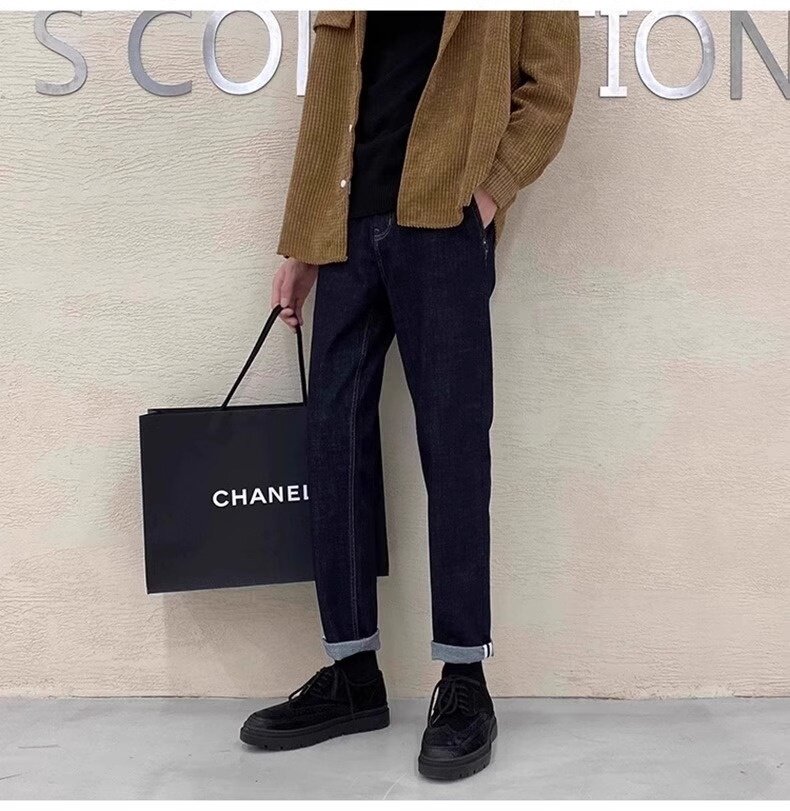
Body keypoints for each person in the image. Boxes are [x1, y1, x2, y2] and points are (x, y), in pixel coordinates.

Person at [240, 10, 580, 780]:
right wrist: (302, 239)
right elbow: (332, 96)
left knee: (454, 448)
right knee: (333, 441)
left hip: (442, 225)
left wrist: (486, 196)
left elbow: (550, 93)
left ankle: (463, 677)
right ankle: (353, 673)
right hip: (346, 227)